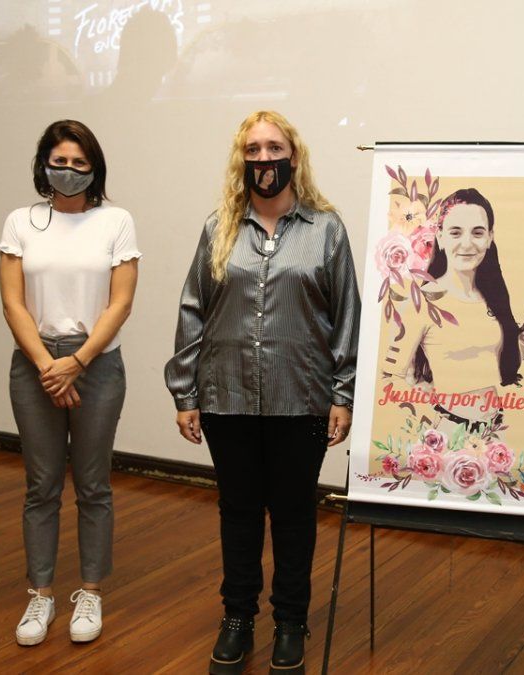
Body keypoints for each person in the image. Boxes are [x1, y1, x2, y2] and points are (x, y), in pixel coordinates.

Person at [165, 110, 360, 675]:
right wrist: (186, 391)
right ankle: (237, 618)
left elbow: (347, 316)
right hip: (226, 397)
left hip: (301, 399)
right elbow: (192, 309)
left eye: (273, 148)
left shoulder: (326, 230)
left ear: (293, 156)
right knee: (240, 512)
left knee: (295, 515)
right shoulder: (217, 228)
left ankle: (291, 622)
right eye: (252, 150)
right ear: (240, 159)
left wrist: (341, 393)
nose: (262, 159)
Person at [0, 119, 141, 647]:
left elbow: (120, 302)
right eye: (60, 161)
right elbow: (13, 301)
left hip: (96, 363)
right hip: (35, 364)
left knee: (94, 484)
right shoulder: (20, 221)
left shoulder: (116, 220)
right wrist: (46, 366)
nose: (70, 171)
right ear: (43, 165)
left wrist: (76, 362)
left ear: (95, 169)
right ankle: (40, 595)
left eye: (81, 164)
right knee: (41, 487)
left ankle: (90, 592)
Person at [382, 187, 524, 431]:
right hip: (447, 434)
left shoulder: (493, 298)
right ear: (440, 236)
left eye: (478, 232)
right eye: (456, 232)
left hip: (493, 432)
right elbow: (391, 377)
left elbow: (501, 362)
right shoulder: (423, 302)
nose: (467, 243)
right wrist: (433, 426)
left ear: (490, 237)